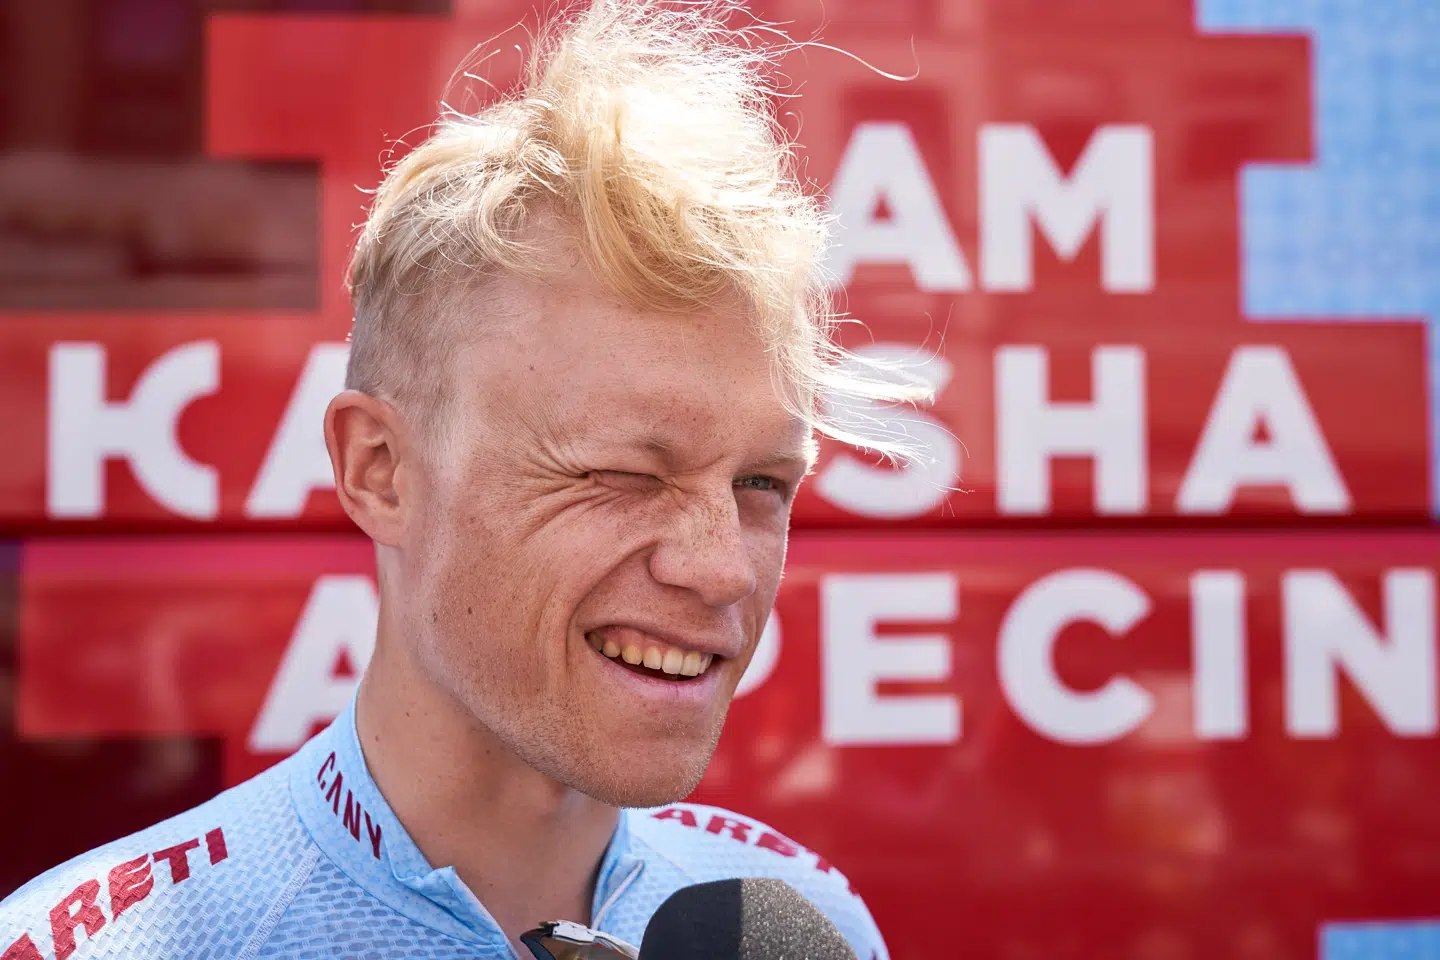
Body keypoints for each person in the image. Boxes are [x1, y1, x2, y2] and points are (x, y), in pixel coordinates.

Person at [0, 1, 918, 957]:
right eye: (622, 474)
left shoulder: (812, 921)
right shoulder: (113, 943)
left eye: (761, 484)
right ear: (381, 471)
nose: (723, 570)